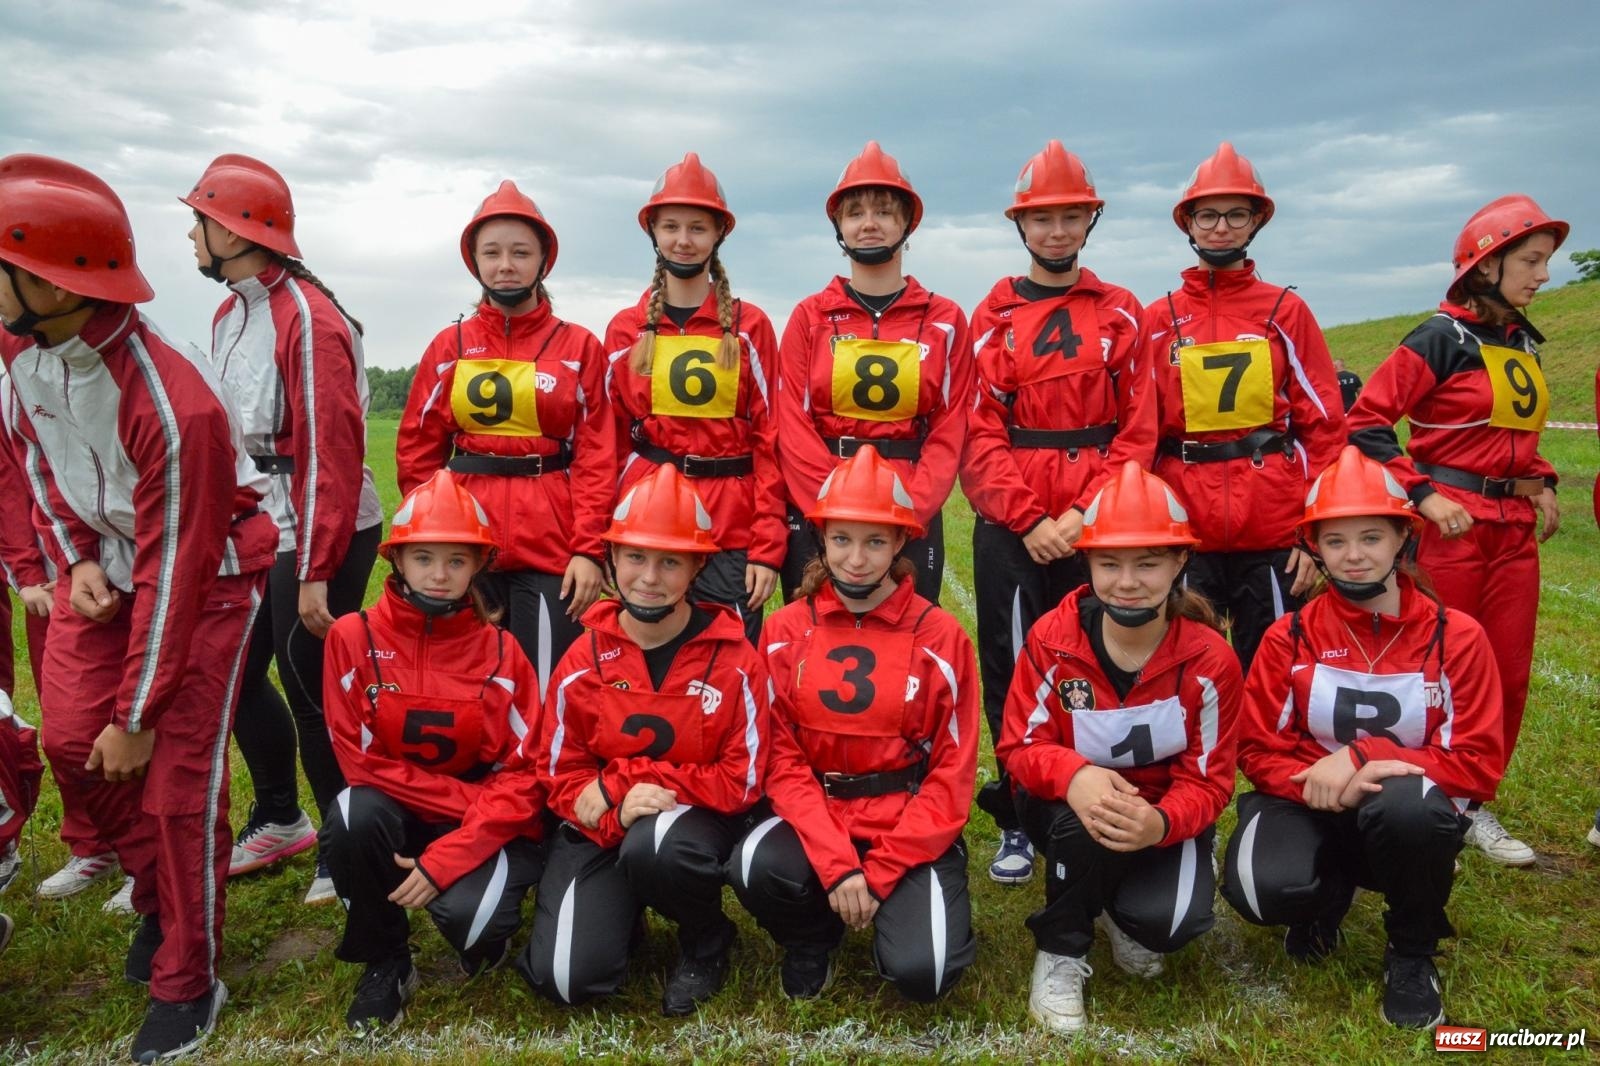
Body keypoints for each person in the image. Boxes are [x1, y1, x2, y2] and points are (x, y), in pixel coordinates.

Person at [0, 154, 277, 1062]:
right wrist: (73, 553)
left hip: (205, 576)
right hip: (112, 564)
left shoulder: (170, 399)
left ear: (47, 282)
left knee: (176, 783)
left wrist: (141, 713)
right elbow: (35, 461)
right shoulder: (26, 361)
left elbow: (180, 568)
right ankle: (159, 896)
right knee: (73, 738)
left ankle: (189, 977)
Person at [1221, 446, 1503, 1029]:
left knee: (1408, 808)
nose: (1353, 557)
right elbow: (1256, 749)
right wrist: (1321, 788)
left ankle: (1413, 949)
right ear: (1315, 548)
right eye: (1335, 541)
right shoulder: (1288, 636)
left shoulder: (1459, 638)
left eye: (1371, 538)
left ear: (1404, 538)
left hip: (1403, 812)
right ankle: (1324, 900)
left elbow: (1477, 764)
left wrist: (1362, 756)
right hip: (1316, 802)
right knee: (1259, 887)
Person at [182, 154, 385, 903]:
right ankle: (279, 816)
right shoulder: (231, 310)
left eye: (198, 221)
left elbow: (332, 450)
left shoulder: (309, 317)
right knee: (232, 676)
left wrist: (317, 567)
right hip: (264, 520)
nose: (190, 235)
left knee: (311, 687)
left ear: (234, 231)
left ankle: (344, 843)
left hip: (320, 525)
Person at [1347, 194, 1567, 866]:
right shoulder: (1439, 338)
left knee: (1507, 672)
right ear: (1486, 264)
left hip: (1512, 532)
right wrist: (1421, 494)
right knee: (1441, 671)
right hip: (1452, 531)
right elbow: (1366, 422)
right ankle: (1421, 795)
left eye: (1545, 262)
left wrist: (1546, 479)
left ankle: (1473, 802)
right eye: (1530, 261)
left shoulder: (1522, 340)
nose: (1543, 275)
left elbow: (1511, 433)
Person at [961, 140, 1156, 887]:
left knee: (1098, 661)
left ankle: (1101, 799)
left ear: (1090, 220)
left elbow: (1138, 427)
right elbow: (979, 428)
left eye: (1071, 217)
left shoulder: (1120, 312)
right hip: (1016, 526)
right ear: (1022, 225)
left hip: (1097, 519)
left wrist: (1085, 513)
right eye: (1042, 219)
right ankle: (1017, 813)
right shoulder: (995, 312)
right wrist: (1027, 517)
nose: (1056, 232)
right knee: (1012, 664)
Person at [996, 460, 1238, 1033]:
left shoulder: (1210, 661)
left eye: (1148, 563)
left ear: (1181, 561)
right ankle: (1061, 948)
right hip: (1065, 811)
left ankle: (1115, 903)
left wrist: (1159, 822)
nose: (1127, 581)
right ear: (1088, 562)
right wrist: (1075, 775)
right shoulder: (1053, 640)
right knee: (1087, 816)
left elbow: (1211, 780)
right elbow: (1019, 745)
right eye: (1109, 563)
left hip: (1157, 814)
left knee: (1168, 926)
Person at [729, 445, 978, 1002]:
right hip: (818, 815)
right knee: (751, 863)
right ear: (821, 539)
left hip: (905, 820)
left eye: (874, 541)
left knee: (925, 974)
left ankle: (905, 897)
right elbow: (780, 757)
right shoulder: (786, 629)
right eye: (841, 539)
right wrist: (840, 866)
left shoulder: (942, 638)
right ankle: (812, 938)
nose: (856, 559)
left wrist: (883, 870)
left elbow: (952, 774)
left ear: (900, 542)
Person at [520, 463, 769, 1015]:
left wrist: (628, 781)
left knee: (656, 845)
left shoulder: (735, 660)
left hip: (688, 829)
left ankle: (706, 937)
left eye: (670, 561)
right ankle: (620, 912)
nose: (650, 577)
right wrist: (613, 808)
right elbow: (559, 774)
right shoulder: (582, 658)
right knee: (565, 981)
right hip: (602, 828)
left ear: (697, 567)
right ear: (611, 559)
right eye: (635, 557)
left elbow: (744, 781)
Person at [320, 470, 546, 1032]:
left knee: (472, 925)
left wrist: (462, 839)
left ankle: (480, 924)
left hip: (478, 819)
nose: (439, 575)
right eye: (423, 557)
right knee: (353, 814)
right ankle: (385, 960)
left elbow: (525, 773)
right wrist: (464, 799)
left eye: (456, 560)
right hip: (411, 811)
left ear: (479, 565)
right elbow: (359, 763)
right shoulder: (353, 637)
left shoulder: (502, 650)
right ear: (396, 561)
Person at [398, 180, 615, 699]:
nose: (506, 265)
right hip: (469, 547)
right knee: (470, 688)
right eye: (491, 253)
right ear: (474, 262)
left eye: (521, 253)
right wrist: (431, 542)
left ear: (544, 261)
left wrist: (588, 549)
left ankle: (546, 781)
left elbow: (599, 455)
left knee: (544, 690)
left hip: (552, 549)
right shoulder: (449, 347)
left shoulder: (579, 346)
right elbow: (417, 450)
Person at [1141, 142, 1346, 673]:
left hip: (1273, 529)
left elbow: (1323, 427)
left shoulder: (1285, 310)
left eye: (1236, 214)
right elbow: (1139, 431)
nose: (1220, 228)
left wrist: (1313, 533)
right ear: (1188, 222)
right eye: (1207, 215)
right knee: (1186, 672)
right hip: (1187, 529)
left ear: (1256, 221)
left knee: (1275, 674)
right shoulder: (1158, 318)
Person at [775, 141, 973, 603]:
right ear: (839, 226)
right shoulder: (809, 317)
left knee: (907, 639)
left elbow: (949, 427)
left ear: (907, 223)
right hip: (821, 504)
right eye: (855, 212)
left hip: (909, 503)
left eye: (884, 211)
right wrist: (830, 511)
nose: (869, 223)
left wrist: (911, 510)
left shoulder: (944, 319)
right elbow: (792, 423)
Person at [604, 153, 783, 644]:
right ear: (653, 233)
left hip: (730, 526)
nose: (683, 240)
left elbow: (772, 440)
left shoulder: (751, 327)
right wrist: (603, 537)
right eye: (671, 227)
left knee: (725, 659)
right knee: (649, 656)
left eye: (698, 228)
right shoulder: (625, 329)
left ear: (718, 234)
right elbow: (606, 442)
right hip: (647, 523)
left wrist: (766, 547)